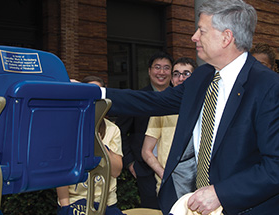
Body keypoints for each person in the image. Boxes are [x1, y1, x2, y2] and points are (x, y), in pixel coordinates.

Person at [103, 0, 279, 214]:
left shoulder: (268, 87)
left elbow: (275, 166)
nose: (194, 36)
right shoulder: (202, 77)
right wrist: (95, 94)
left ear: (226, 37)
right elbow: (153, 101)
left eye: (201, 31)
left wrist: (220, 193)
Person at [56, 76, 124, 215]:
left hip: (106, 203)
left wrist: (100, 145)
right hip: (75, 202)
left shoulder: (112, 130)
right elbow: (60, 172)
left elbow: (116, 171)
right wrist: (65, 207)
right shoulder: (67, 128)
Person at [115, 51, 173, 209]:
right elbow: (119, 130)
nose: (161, 72)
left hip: (175, 168)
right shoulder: (138, 98)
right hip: (144, 169)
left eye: (166, 68)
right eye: (157, 67)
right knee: (152, 210)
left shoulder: (179, 98)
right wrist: (130, 162)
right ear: (149, 71)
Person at [141, 57, 197, 196]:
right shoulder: (162, 109)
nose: (181, 78)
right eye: (176, 74)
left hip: (200, 186)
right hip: (169, 185)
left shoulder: (205, 107)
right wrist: (164, 174)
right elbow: (146, 151)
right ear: (172, 80)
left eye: (186, 74)